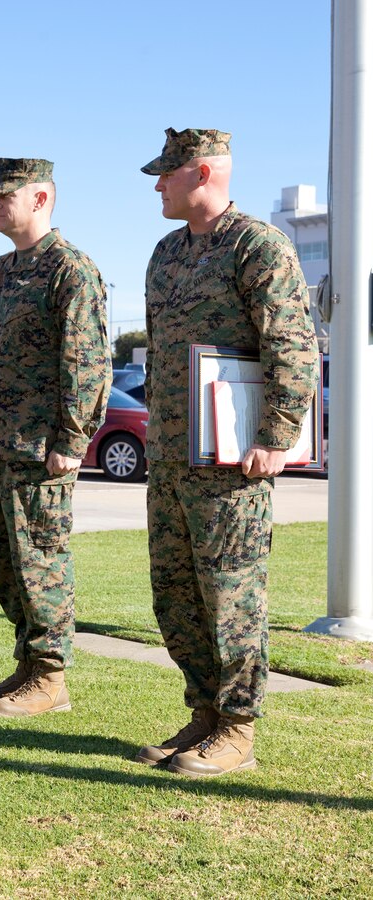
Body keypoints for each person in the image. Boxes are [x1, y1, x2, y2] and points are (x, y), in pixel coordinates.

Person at [135, 128, 319, 776]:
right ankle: (204, 714)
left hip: (232, 465)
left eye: (167, 173)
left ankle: (238, 729)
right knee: (176, 595)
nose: (157, 184)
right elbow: (158, 353)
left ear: (203, 173)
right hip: (172, 460)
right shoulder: (165, 254)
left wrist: (276, 434)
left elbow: (293, 345)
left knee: (232, 598)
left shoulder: (258, 246)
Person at [0, 158, 111, 717]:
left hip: (40, 449)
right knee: (5, 560)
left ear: (40, 199)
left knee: (41, 558)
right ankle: (27, 664)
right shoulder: (6, 269)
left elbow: (87, 362)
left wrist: (72, 438)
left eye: (5, 198)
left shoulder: (70, 270)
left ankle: (50, 678)